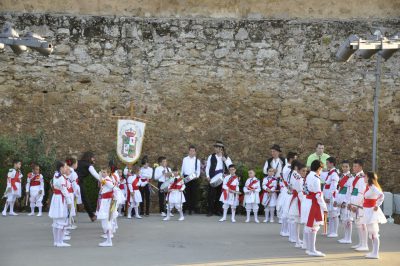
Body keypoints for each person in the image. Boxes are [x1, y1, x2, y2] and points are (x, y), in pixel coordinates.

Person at [301, 160, 327, 257]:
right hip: (313, 204)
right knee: (313, 227)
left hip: (307, 201)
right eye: (321, 169)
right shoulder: (316, 178)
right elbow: (318, 195)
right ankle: (312, 249)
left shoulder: (308, 176)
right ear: (319, 168)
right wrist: (324, 207)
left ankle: (309, 248)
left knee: (309, 226)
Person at [360, 172, 387, 259]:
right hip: (367, 210)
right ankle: (374, 252)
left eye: (365, 176)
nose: (364, 178)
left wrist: (377, 205)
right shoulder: (368, 186)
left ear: (368, 178)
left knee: (373, 232)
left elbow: (381, 195)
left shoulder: (372, 187)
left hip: (371, 211)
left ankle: (375, 253)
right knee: (372, 232)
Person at [49, 161, 72, 247]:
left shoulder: (56, 175)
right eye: (65, 167)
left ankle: (56, 241)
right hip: (60, 200)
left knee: (56, 221)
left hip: (56, 198)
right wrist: (69, 201)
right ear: (61, 168)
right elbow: (64, 191)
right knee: (61, 220)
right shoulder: (61, 178)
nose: (67, 168)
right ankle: (60, 242)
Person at [206, 141, 232, 217]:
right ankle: (210, 211)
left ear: (221, 148)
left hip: (222, 179)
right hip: (212, 178)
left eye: (217, 147)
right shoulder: (211, 156)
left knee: (219, 195)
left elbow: (231, 167)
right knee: (211, 196)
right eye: (215, 147)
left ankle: (218, 210)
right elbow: (208, 167)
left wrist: (225, 160)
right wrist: (207, 176)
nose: (215, 148)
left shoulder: (226, 157)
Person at [76, 151, 101, 221]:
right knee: (85, 199)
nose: (94, 159)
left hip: (71, 182)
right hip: (78, 183)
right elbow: (96, 175)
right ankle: (92, 216)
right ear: (89, 158)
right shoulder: (89, 165)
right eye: (93, 158)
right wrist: (105, 180)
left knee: (71, 200)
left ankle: (69, 217)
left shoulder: (78, 162)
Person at [96, 169, 118, 247]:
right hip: (105, 202)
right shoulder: (105, 179)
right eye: (102, 172)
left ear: (108, 173)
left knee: (106, 220)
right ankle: (108, 240)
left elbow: (113, 187)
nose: (103, 173)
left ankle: (109, 241)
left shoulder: (107, 180)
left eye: (104, 172)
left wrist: (99, 176)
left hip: (107, 202)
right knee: (106, 220)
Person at [350, 159, 368, 251]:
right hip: (354, 203)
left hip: (359, 205)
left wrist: (355, 205)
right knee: (358, 224)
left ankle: (364, 244)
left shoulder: (362, 178)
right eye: (353, 166)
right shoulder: (356, 177)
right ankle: (360, 243)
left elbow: (361, 193)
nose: (353, 168)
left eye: (355, 166)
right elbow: (353, 191)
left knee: (362, 224)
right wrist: (351, 203)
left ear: (360, 167)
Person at [335, 160, 354, 244]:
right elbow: (339, 189)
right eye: (343, 166)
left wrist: (345, 202)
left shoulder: (351, 177)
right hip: (340, 197)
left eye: (347, 166)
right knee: (343, 219)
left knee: (348, 219)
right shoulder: (341, 176)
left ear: (349, 167)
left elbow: (350, 191)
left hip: (347, 199)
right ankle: (345, 237)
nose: (345, 168)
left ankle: (348, 238)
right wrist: (337, 200)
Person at [288, 161, 305, 248]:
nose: (304, 173)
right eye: (303, 171)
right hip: (298, 199)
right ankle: (297, 240)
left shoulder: (297, 177)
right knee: (297, 221)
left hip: (297, 198)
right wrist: (304, 201)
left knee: (296, 221)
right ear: (298, 170)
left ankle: (297, 239)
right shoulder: (299, 179)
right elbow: (300, 191)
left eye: (305, 171)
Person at [323, 157, 340, 238]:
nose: (326, 164)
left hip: (332, 196)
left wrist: (329, 197)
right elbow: (326, 185)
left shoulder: (334, 174)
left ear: (332, 163)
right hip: (327, 195)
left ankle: (335, 231)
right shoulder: (330, 173)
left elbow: (333, 187)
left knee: (334, 214)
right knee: (330, 214)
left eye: (327, 163)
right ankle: (330, 230)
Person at [181, 145, 201, 215]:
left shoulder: (197, 161)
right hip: (186, 177)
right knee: (186, 193)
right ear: (188, 151)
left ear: (195, 152)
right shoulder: (185, 159)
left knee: (193, 194)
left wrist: (197, 176)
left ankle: (191, 209)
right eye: (190, 151)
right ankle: (185, 208)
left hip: (193, 178)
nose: (192, 152)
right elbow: (182, 168)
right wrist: (181, 176)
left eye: (193, 151)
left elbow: (198, 170)